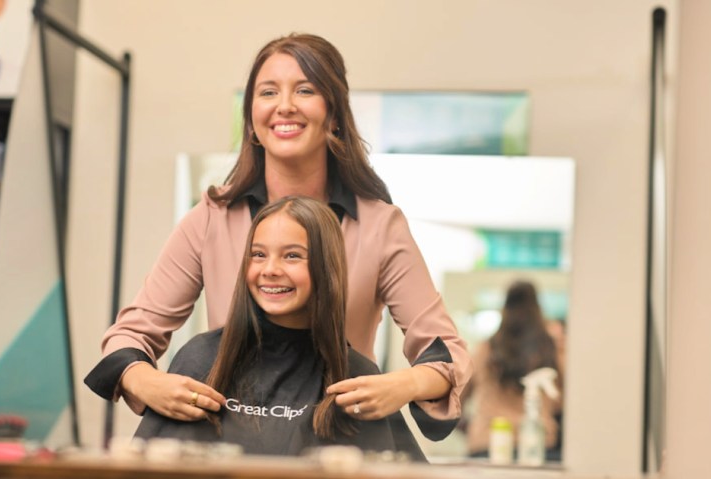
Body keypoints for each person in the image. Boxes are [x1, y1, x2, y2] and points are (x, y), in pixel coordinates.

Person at [85, 33, 472, 443]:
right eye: (268, 92)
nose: (284, 105)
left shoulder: (379, 225)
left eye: (305, 90)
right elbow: (130, 335)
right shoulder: (212, 219)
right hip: (231, 444)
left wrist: (401, 385)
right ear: (251, 117)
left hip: (337, 443)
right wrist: (146, 381)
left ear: (335, 113)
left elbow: (446, 351)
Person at [130, 196, 437, 459]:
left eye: (292, 256)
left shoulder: (357, 379)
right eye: (258, 255)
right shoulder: (201, 359)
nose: (270, 270)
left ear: (325, 267)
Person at [460, 280, 563, 458]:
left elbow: (456, 401)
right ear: (538, 308)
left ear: (505, 308)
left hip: (487, 444)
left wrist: (472, 427)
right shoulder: (552, 350)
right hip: (539, 448)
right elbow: (566, 402)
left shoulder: (486, 350)